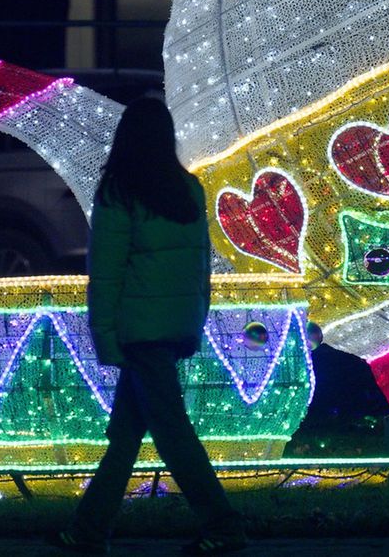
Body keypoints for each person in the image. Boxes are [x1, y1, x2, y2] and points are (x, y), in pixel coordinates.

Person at [49, 98, 246, 555]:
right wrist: (194, 320)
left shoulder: (119, 193)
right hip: (174, 326)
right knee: (125, 436)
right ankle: (87, 530)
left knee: (173, 434)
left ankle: (223, 524)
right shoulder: (188, 190)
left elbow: (108, 272)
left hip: (139, 332)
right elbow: (202, 266)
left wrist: (104, 336)